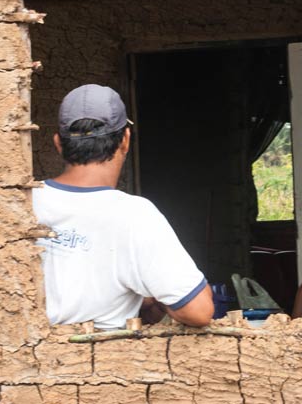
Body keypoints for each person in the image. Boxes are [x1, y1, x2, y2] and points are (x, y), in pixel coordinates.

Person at [32, 84, 214, 330]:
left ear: (58, 143)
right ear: (126, 140)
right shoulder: (134, 215)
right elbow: (199, 312)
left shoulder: (23, 202)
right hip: (93, 363)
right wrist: (154, 294)